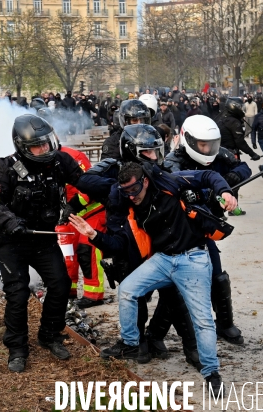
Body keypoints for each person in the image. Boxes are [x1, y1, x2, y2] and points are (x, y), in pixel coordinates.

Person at [69, 160, 237, 395]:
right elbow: (119, 244)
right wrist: (94, 235)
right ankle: (131, 343)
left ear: (145, 181)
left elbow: (208, 175)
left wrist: (225, 191)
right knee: (127, 290)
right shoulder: (126, 205)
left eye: (134, 190)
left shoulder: (171, 182)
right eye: (125, 191)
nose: (131, 196)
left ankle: (211, 372)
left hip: (193, 259)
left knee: (203, 320)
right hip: (163, 259)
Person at [0, 114, 83, 373]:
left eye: (46, 143)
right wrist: (11, 222)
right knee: (17, 293)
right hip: (11, 241)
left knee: (61, 284)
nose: (44, 150)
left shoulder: (60, 162)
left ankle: (49, 335)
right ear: (22, 147)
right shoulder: (3, 167)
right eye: (37, 147)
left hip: (42, 238)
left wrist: (76, 203)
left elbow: (87, 183)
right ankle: (17, 348)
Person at [160, 115, 250, 346]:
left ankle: (225, 323)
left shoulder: (219, 153)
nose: (208, 149)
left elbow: (244, 166)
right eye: (202, 144)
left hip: (208, 225)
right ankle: (156, 336)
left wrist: (231, 177)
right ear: (188, 140)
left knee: (217, 274)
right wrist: (204, 194)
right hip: (183, 228)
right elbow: (173, 189)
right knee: (178, 285)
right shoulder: (173, 161)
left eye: (211, 143)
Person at [58, 146, 107, 308]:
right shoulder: (36, 162)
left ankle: (94, 294)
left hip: (93, 210)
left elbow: (91, 186)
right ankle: (68, 290)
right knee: (66, 255)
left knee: (87, 250)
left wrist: (73, 206)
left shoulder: (74, 156)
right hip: (67, 216)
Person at [216, 97, 261, 162]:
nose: (242, 109)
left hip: (220, 151)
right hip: (229, 153)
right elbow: (240, 142)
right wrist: (252, 154)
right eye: (240, 107)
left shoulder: (222, 117)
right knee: (241, 170)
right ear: (234, 107)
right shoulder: (234, 122)